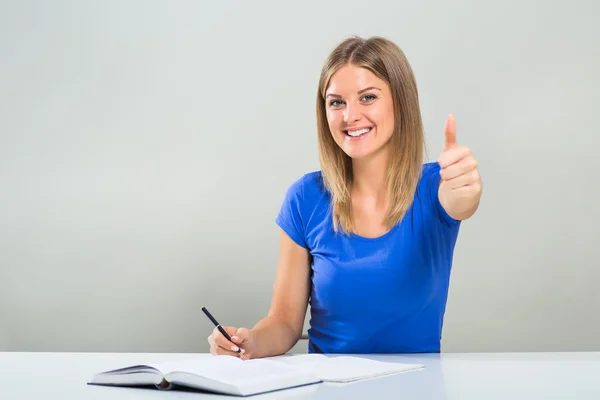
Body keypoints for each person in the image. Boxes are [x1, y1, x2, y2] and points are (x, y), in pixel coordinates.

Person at [208, 35, 482, 358]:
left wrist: (466, 187)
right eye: (336, 102)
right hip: (327, 385)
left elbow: (461, 201)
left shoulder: (438, 185)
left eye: (367, 97)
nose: (349, 116)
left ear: (400, 101)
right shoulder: (304, 199)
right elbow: (284, 322)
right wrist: (248, 342)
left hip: (419, 385)